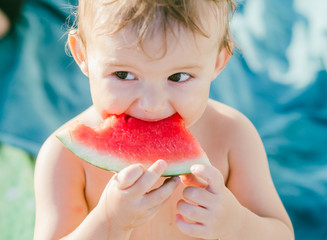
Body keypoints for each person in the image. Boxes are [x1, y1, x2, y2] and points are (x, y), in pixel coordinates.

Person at [34, 0, 294, 239]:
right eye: (123, 74)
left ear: (218, 62)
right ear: (82, 54)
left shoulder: (233, 136)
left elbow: (282, 233)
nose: (152, 105)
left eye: (178, 77)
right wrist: (108, 222)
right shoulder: (63, 156)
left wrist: (237, 224)